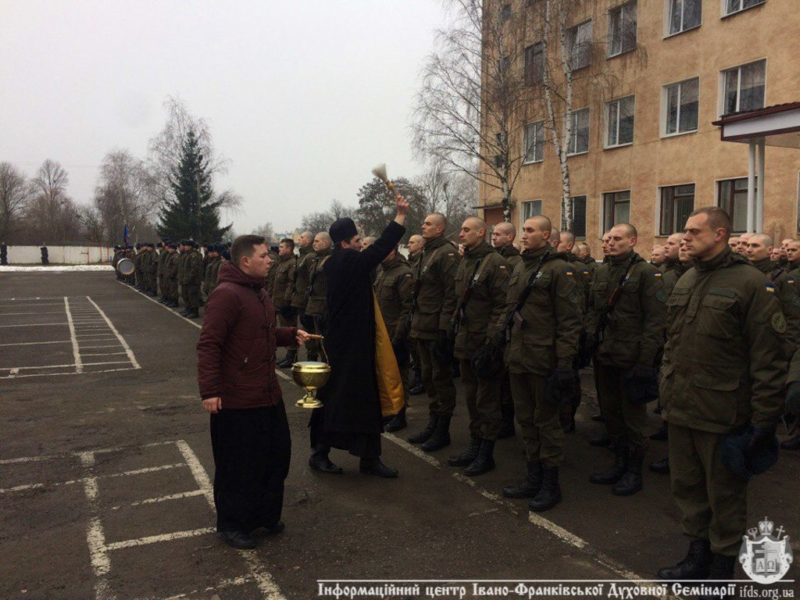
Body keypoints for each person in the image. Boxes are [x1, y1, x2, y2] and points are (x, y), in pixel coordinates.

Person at [657, 207, 786, 588]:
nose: (685, 237)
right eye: (684, 231)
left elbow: (768, 358)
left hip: (723, 413)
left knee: (725, 496)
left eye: (694, 231)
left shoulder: (751, 283)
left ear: (720, 234)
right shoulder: (687, 279)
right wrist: (666, 391)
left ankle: (720, 571)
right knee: (688, 489)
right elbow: (672, 344)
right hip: (682, 407)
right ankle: (697, 556)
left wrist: (763, 420)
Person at [197, 234, 312, 550]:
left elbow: (259, 335)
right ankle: (233, 524)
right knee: (238, 464)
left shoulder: (258, 293)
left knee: (274, 457)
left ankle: (263, 515)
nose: (270, 259)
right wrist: (210, 390)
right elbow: (210, 344)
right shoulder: (227, 295)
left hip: (266, 393)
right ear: (245, 261)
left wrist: (289, 335)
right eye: (263, 255)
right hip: (237, 399)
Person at [308, 194, 409, 477]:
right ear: (345, 243)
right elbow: (379, 249)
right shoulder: (346, 261)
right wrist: (399, 216)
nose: (359, 244)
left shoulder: (338, 260)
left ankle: (368, 457)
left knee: (363, 399)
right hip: (348, 345)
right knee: (340, 398)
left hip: (353, 342)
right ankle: (321, 453)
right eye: (356, 240)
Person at [500, 216, 581, 511]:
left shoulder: (560, 269)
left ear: (546, 235)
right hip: (518, 357)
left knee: (546, 422)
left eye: (530, 230)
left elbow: (570, 321)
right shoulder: (522, 265)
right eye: (523, 230)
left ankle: (551, 483)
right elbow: (510, 310)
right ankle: (532, 476)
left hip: (544, 359)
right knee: (526, 419)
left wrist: (565, 363)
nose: (524, 235)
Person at [587, 224, 665, 496]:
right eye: (606, 239)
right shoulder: (602, 270)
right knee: (611, 413)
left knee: (633, 419)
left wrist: (645, 362)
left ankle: (633, 470)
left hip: (631, 358)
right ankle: (618, 463)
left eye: (616, 239)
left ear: (632, 241)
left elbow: (655, 322)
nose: (609, 243)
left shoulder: (647, 273)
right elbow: (593, 313)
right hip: (605, 354)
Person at [447, 217, 510, 475]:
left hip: (485, 343)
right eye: (461, 230)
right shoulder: (466, 260)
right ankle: (475, 444)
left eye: (466, 230)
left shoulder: (495, 263)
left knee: (487, 400)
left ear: (481, 233)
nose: (461, 234)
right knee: (472, 398)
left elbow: (502, 306)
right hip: (466, 340)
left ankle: (486, 452)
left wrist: (492, 341)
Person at [407, 213, 460, 452]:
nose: (423, 225)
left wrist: (444, 328)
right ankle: (433, 422)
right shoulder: (428, 252)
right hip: (422, 325)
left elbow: (451, 293)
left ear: (439, 229)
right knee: (428, 377)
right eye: (423, 222)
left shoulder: (446, 253)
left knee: (441, 378)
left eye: (428, 224)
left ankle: (442, 429)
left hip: (436, 328)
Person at [373, 245, 415, 432]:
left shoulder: (403, 273)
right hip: (383, 333)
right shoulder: (383, 271)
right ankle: (389, 411)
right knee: (385, 374)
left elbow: (407, 308)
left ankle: (400, 414)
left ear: (394, 251)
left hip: (397, 333)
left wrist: (399, 336)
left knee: (400, 374)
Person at [491, 221, 522, 439]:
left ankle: (507, 421)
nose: (494, 237)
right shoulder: (492, 259)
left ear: (510, 237)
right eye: (493, 234)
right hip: (497, 325)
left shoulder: (513, 261)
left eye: (499, 234)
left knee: (506, 381)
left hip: (509, 328)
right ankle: (502, 420)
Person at [405, 234, 426, 396]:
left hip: (424, 311)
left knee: (420, 352)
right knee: (414, 349)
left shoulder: (422, 260)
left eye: (412, 242)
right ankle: (419, 376)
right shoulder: (411, 261)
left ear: (420, 244)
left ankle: (421, 379)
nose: (408, 245)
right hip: (414, 310)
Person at [274, 239, 299, 368]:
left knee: (289, 329)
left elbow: (291, 283)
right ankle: (289, 356)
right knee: (283, 327)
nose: (280, 249)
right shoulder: (281, 263)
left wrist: (287, 301)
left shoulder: (292, 263)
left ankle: (292, 357)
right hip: (278, 302)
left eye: (282, 247)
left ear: (289, 249)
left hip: (285, 303)